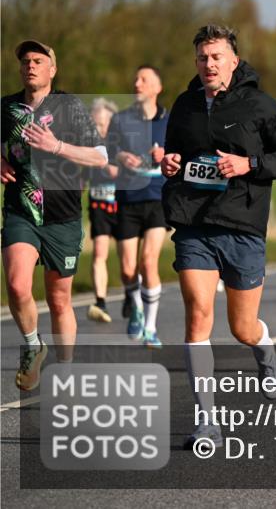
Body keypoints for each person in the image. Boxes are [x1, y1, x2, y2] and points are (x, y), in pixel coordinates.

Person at [161, 25, 276, 447]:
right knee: (198, 315)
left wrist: (249, 165)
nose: (208, 64)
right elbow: (176, 155)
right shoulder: (184, 105)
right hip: (194, 222)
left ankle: (265, 351)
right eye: (202, 58)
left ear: (233, 61)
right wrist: (171, 163)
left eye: (216, 57)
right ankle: (208, 422)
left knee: (241, 326)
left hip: (242, 223)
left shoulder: (259, 103)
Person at [2, 40, 109, 390]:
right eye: (25, 62)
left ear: (52, 69)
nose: (30, 66)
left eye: (38, 60)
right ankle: (34, 345)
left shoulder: (69, 107)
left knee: (59, 298)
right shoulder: (7, 107)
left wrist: (57, 146)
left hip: (62, 215)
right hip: (21, 210)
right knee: (18, 286)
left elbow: (99, 156)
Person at [105, 65, 170, 348]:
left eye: (144, 79)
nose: (137, 83)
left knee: (148, 261)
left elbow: (185, 151)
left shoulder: (170, 120)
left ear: (157, 88)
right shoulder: (121, 119)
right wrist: (121, 156)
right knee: (128, 268)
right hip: (128, 198)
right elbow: (107, 149)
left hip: (157, 197)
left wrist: (166, 153)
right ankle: (135, 306)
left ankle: (151, 327)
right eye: (135, 78)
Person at [86, 98, 119, 324]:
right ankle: (100, 301)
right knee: (99, 254)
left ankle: (134, 296)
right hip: (98, 203)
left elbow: (118, 172)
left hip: (122, 205)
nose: (98, 128)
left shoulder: (121, 143)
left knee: (130, 261)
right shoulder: (87, 145)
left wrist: (102, 163)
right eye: (94, 124)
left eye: (101, 123)